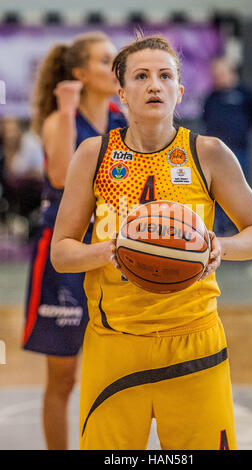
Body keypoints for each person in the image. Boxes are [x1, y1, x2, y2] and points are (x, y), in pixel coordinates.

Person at [51, 35, 252, 450]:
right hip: (114, 340)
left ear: (180, 91)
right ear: (121, 93)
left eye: (165, 76)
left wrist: (217, 247)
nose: (154, 85)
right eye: (141, 76)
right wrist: (114, 250)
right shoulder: (94, 154)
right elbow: (61, 252)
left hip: (195, 338)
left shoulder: (208, 152)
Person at [22, 32, 127, 450]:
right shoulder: (57, 119)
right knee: (63, 377)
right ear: (80, 73)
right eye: (105, 61)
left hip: (112, 251)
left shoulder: (123, 119)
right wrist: (66, 111)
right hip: (62, 255)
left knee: (116, 374)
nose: (114, 67)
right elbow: (62, 177)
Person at [202, 57, 252, 236]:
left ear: (232, 73)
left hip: (239, 149)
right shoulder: (211, 96)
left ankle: (240, 228)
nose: (218, 78)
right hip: (214, 155)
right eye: (215, 75)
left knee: (239, 191)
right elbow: (206, 118)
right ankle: (219, 228)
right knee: (215, 192)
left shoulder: (245, 93)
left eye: (221, 74)